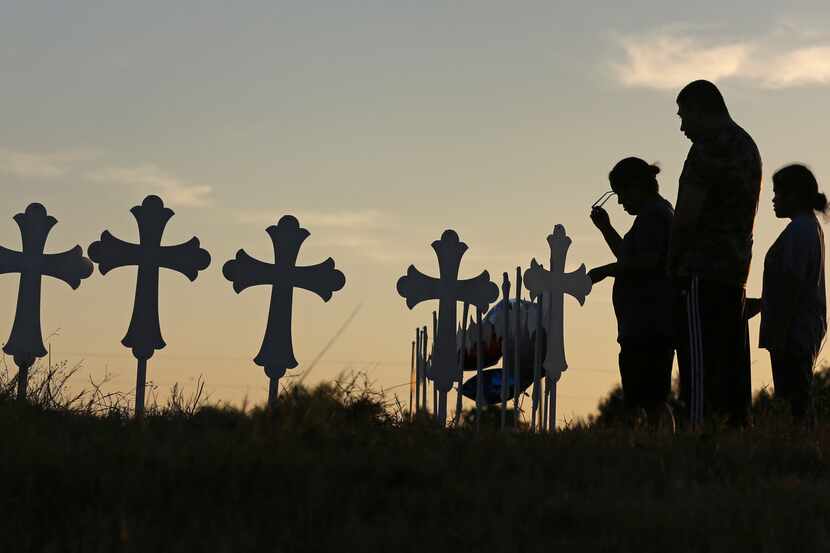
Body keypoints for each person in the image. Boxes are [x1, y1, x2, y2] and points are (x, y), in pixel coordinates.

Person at [669, 80, 762, 427]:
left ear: (699, 109)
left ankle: (697, 436)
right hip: (734, 273)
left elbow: (687, 216)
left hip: (700, 273)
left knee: (699, 369)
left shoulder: (708, 147)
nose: (682, 127)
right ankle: (736, 435)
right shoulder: (746, 145)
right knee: (730, 368)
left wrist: (672, 264)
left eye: (684, 116)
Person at [589, 157, 675, 429]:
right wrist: (606, 228)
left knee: (650, 396)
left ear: (637, 187)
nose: (621, 202)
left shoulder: (655, 216)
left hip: (649, 322)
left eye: (622, 193)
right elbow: (628, 255)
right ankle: (654, 441)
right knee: (648, 395)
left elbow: (646, 263)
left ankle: (654, 443)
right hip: (642, 323)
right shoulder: (653, 215)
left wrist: (605, 271)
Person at [746, 165, 827, 426]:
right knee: (795, 399)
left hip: (793, 331)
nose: (773, 199)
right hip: (794, 328)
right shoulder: (805, 228)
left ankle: (805, 452)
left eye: (777, 193)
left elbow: (791, 285)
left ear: (794, 196)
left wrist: (779, 330)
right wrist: (761, 305)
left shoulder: (801, 231)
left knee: (795, 402)